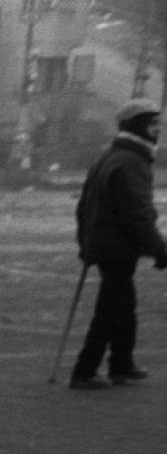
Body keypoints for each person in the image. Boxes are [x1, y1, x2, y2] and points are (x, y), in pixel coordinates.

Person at [69, 100, 167, 390]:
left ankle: (122, 364)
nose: (157, 131)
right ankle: (85, 370)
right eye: (153, 125)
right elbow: (137, 215)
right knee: (111, 308)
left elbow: (84, 206)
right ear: (138, 127)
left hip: (106, 244)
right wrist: (160, 249)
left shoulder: (111, 157)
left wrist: (86, 243)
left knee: (124, 304)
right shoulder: (131, 162)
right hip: (117, 247)